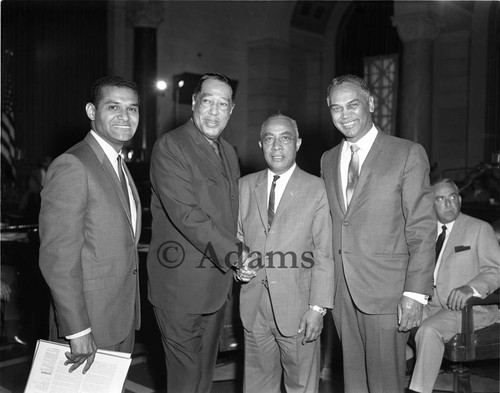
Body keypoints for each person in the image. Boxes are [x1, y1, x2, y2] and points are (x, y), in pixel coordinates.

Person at [320, 74, 436, 393]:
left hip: (388, 293)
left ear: (371, 103)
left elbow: (422, 228)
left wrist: (414, 294)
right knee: (354, 382)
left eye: (353, 105)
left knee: (385, 384)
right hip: (342, 293)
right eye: (336, 108)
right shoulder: (328, 160)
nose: (345, 115)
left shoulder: (407, 153)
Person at [147, 72, 250, 393]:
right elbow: (187, 215)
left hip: (215, 287)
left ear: (231, 110)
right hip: (180, 288)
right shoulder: (171, 146)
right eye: (208, 101)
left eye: (223, 104)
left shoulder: (229, 152)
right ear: (193, 103)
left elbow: (228, 215)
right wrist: (237, 254)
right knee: (185, 379)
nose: (214, 112)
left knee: (203, 378)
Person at [39, 76, 142, 373]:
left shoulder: (116, 163)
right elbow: (58, 258)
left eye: (132, 109)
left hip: (119, 319)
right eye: (113, 106)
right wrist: (78, 330)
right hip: (88, 326)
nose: (125, 116)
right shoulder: (74, 164)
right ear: (91, 111)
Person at [237, 114, 334, 393]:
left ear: (298, 143)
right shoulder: (245, 186)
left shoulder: (317, 188)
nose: (276, 146)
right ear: (260, 144)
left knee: (301, 386)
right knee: (256, 387)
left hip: (299, 310)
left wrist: (317, 309)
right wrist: (238, 261)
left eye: (285, 138)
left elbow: (324, 252)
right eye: (269, 138)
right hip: (254, 308)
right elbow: (235, 235)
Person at [408, 178, 500, 393]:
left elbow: (496, 270)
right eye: (441, 199)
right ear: (431, 203)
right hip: (429, 304)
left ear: (459, 200)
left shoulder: (479, 228)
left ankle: (418, 390)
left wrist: (471, 288)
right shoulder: (425, 231)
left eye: (452, 197)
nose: (448, 203)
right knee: (389, 320)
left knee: (429, 331)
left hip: (467, 309)